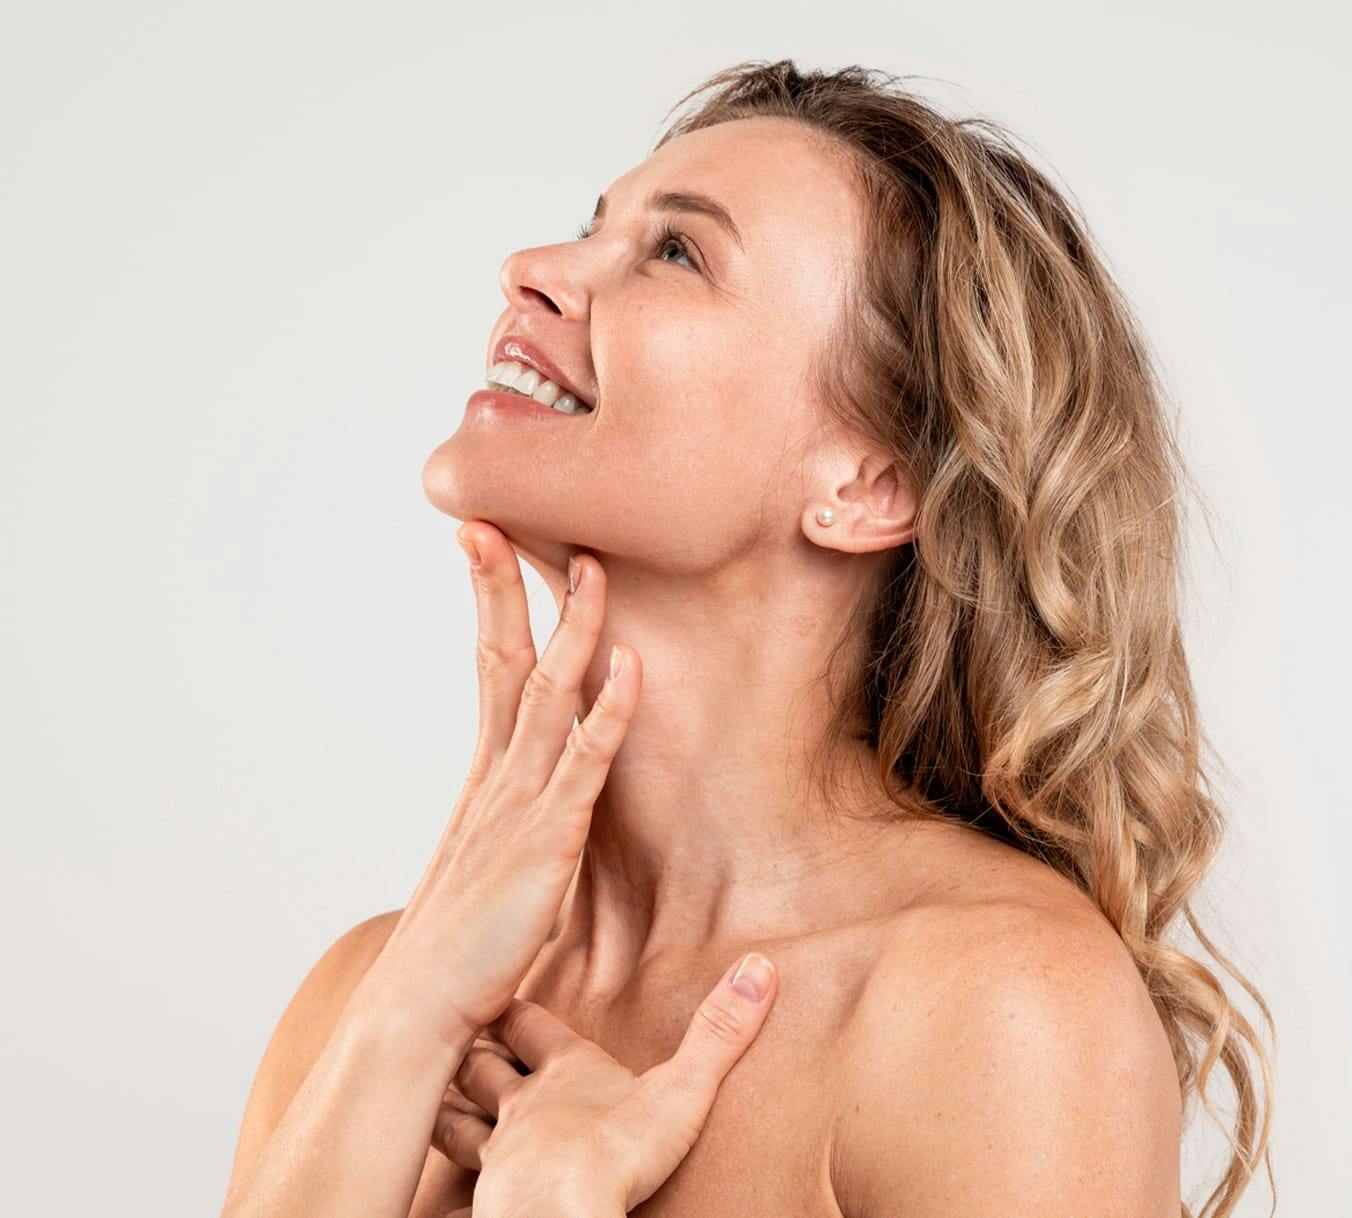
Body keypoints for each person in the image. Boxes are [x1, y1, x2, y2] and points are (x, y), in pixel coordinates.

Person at [222, 59, 1277, 1218]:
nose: (529, 271)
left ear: (869, 483)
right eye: (594, 226)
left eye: (674, 253)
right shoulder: (369, 993)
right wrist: (405, 1012)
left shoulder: (995, 1010)